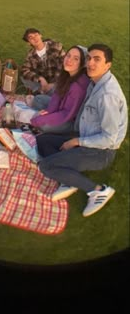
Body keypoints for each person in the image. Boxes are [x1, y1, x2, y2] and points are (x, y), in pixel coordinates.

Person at [36, 43, 128, 217]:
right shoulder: (95, 82)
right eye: (89, 58)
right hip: (86, 136)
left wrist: (77, 141)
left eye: (97, 59)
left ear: (108, 65)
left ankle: (98, 190)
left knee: (46, 166)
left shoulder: (108, 95)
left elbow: (109, 138)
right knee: (42, 140)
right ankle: (68, 178)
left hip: (101, 151)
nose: (91, 63)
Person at [29, 46, 90, 133]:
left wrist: (43, 119)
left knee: (42, 124)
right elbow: (56, 96)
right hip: (61, 107)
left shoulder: (78, 87)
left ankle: (67, 134)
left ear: (81, 64)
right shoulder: (67, 74)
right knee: (38, 99)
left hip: (71, 120)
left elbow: (67, 114)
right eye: (68, 56)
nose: (69, 60)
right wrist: (49, 111)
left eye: (76, 59)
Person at [20, 28, 65, 95]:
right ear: (29, 43)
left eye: (36, 35)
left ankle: (44, 92)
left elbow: (65, 64)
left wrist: (54, 83)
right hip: (44, 82)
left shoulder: (55, 46)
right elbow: (24, 70)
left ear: (40, 35)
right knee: (24, 78)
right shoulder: (31, 55)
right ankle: (43, 91)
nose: (35, 38)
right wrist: (40, 78)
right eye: (31, 38)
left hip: (58, 80)